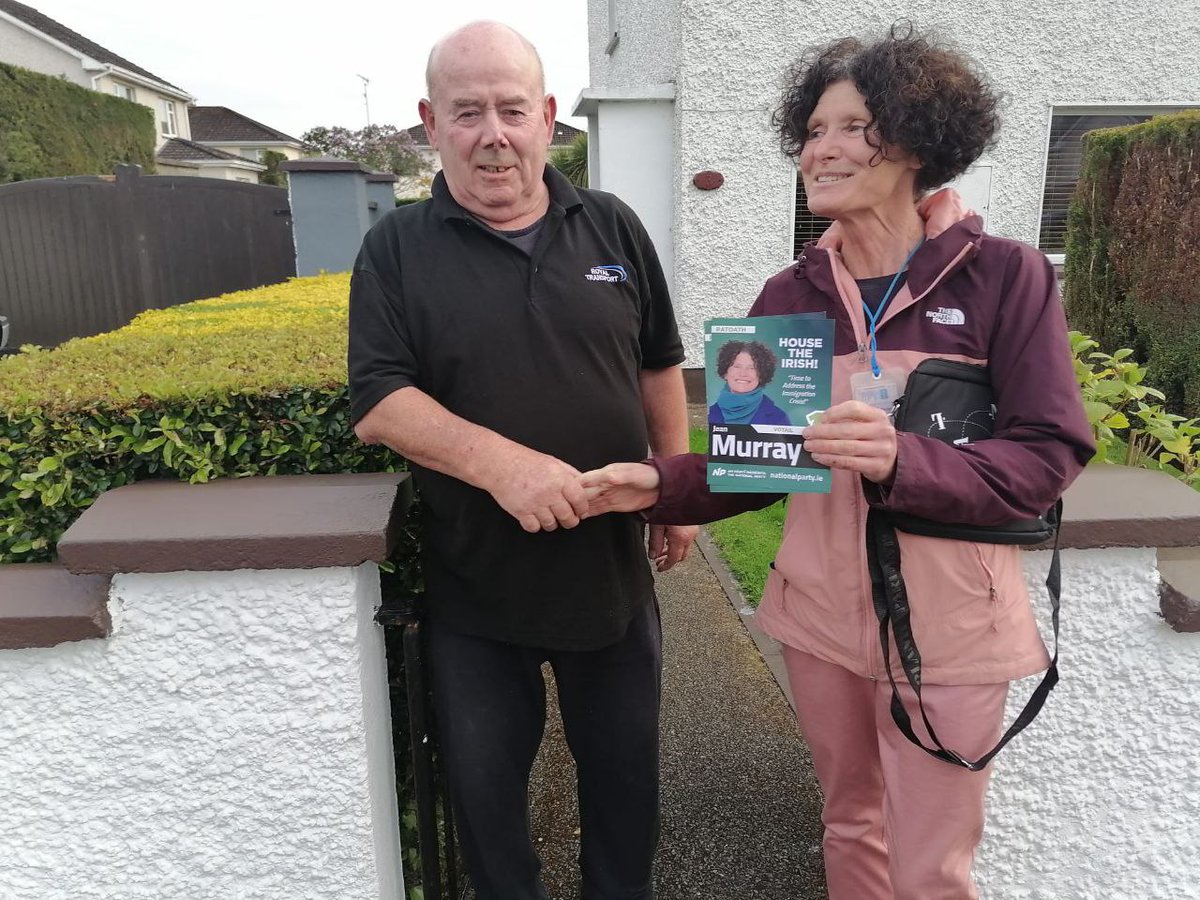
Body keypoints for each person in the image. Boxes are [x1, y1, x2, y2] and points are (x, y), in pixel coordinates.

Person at [583, 24, 1094, 900]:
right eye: (814, 129)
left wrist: (903, 459)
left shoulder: (1004, 277)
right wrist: (657, 482)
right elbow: (761, 461)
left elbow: (1048, 457)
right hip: (818, 624)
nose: (822, 148)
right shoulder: (791, 294)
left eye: (853, 127)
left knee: (931, 866)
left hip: (952, 634)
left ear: (917, 141)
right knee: (849, 825)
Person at [347, 21, 696, 900]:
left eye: (512, 109)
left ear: (547, 117)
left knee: (625, 791)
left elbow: (659, 361)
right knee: (488, 807)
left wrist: (678, 485)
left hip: (611, 579)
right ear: (431, 123)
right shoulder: (397, 249)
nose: (492, 133)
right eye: (468, 112)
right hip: (477, 588)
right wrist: (506, 467)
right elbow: (380, 401)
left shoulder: (611, 224)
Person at [708, 339, 792, 425]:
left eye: (752, 368)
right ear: (725, 372)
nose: (743, 373)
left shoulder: (778, 418)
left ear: (762, 375)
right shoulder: (709, 414)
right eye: (737, 366)